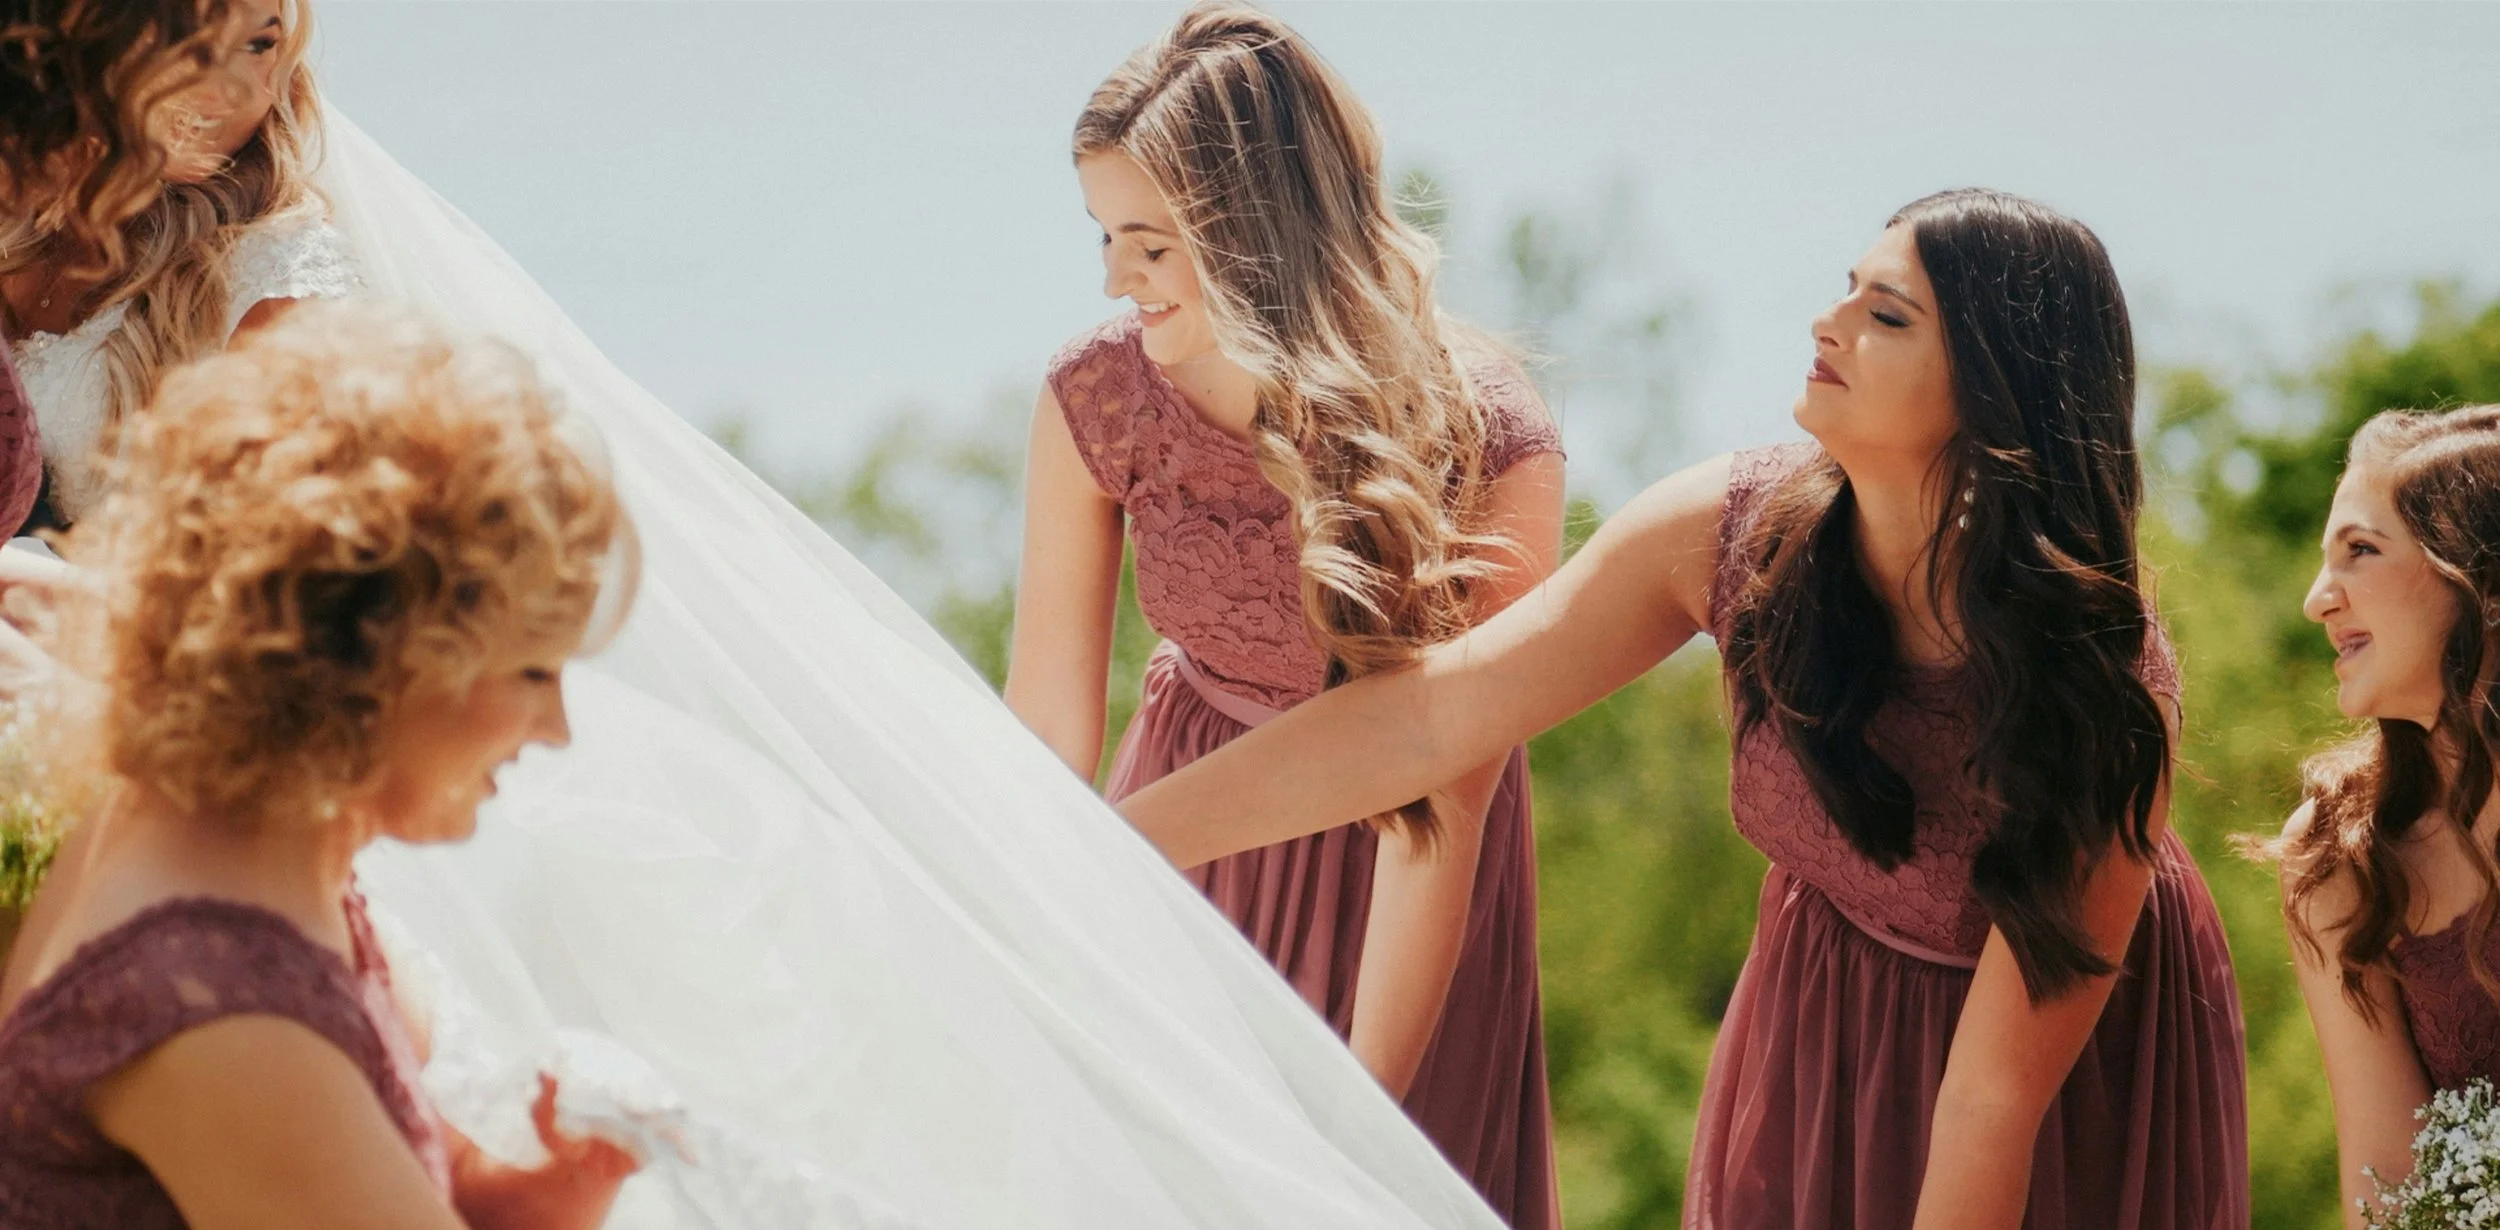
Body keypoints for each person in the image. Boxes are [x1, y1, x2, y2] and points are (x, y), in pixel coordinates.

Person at [0, 3, 1525, 1224]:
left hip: (1371, 867)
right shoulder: (216, 982)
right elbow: (1051, 725)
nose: (555, 720)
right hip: (1187, 829)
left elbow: (1441, 749)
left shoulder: (292, 912)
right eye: (530, 664)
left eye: (273, 34)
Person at [1120, 189, 2251, 1229]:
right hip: (1820, 1009)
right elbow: (1428, 719)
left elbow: (1990, 1102)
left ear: (2000, 388)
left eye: (1887, 316)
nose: (1826, 321)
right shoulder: (1727, 529)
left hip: (2057, 1076)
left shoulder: (2099, 690)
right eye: (1845, 287)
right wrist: (1118, 839)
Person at [1005, 6, 1564, 1221]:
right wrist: (1036, 941)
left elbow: (1439, 805)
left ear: (1256, 236)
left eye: (1148, 245)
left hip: (1408, 876)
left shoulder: (1489, 430)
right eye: (1103, 237)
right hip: (1182, 829)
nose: (1113, 279)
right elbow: (1046, 729)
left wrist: (1355, 1133)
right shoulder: (1095, 393)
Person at [0, 299, 637, 1229]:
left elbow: (415, 1186)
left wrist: (560, 1189)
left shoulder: (261, 866)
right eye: (533, 669)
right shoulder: (213, 1005)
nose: (556, 728)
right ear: (372, 653)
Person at [2266, 404, 2500, 1227]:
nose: (2316, 601)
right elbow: (2386, 1188)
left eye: (2360, 552)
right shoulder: (2337, 858)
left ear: (2476, 578)